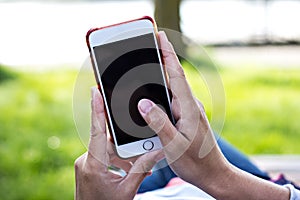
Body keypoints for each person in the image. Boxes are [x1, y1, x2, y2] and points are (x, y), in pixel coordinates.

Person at [74, 31, 300, 200]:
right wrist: (219, 176)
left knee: (165, 147)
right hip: (256, 187)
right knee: (179, 139)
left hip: (172, 187)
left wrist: (218, 177)